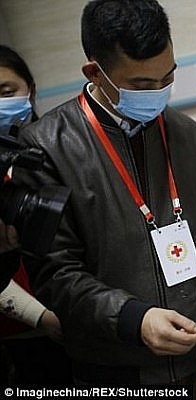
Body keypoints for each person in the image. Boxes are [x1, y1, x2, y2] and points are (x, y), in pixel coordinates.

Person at [12, 0, 196, 396]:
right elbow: (56, 275)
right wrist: (135, 319)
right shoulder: (46, 148)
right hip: (118, 370)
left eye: (168, 77)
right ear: (95, 72)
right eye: (142, 84)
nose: (159, 93)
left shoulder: (186, 133)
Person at [0, 44, 72, 385]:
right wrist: (42, 317)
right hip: (22, 336)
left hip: (85, 312)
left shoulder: (64, 147)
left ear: (30, 89)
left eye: (6, 92)